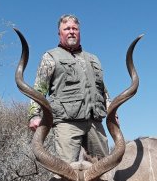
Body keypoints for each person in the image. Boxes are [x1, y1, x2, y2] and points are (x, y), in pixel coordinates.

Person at [28, 14, 110, 163]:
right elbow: (39, 89)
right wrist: (34, 115)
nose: (71, 31)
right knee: (67, 171)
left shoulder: (93, 58)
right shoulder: (50, 56)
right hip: (67, 122)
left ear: (79, 32)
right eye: (66, 29)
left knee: (104, 168)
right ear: (60, 33)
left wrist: (111, 111)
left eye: (75, 28)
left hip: (95, 122)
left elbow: (102, 89)